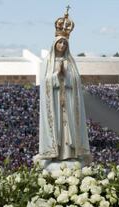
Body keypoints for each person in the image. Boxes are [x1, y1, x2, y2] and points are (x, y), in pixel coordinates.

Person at [36, 7, 92, 164]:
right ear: (54, 44)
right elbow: (45, 82)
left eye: (64, 43)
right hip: (54, 101)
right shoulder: (48, 62)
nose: (62, 45)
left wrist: (66, 77)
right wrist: (56, 76)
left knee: (69, 128)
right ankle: (55, 152)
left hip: (68, 99)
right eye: (59, 42)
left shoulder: (70, 62)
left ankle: (69, 152)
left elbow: (76, 81)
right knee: (58, 127)